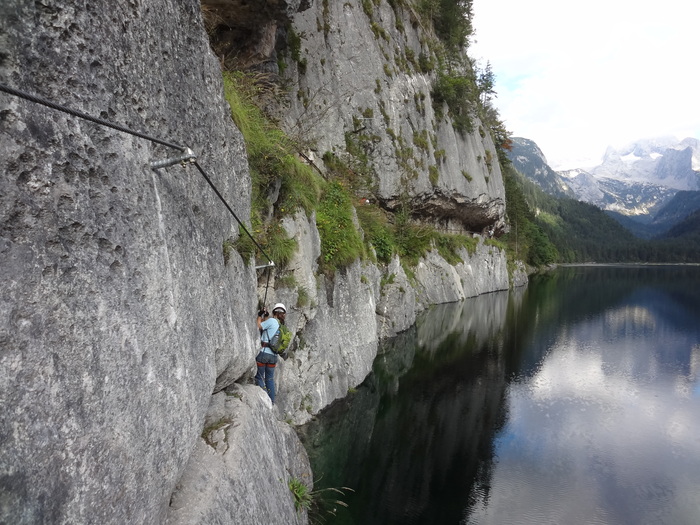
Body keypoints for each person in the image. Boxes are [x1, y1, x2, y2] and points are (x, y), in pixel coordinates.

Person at [255, 303, 286, 404]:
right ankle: (271, 401)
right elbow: (268, 326)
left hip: (264, 353)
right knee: (269, 379)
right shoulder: (282, 326)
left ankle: (265, 400)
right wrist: (266, 316)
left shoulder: (272, 321)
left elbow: (260, 326)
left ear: (274, 313)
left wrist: (260, 315)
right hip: (273, 356)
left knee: (259, 377)